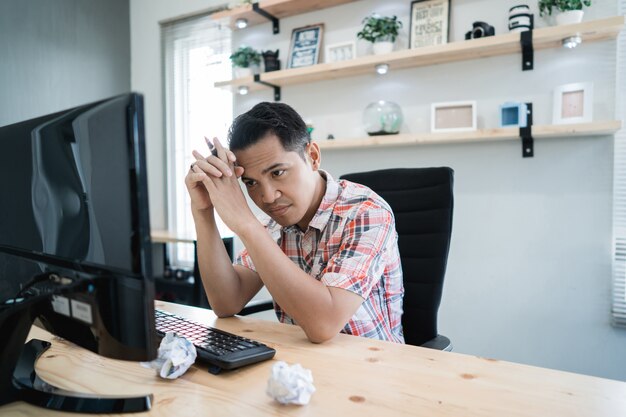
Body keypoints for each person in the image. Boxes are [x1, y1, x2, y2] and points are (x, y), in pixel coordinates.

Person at [185, 102, 404, 343]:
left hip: (373, 368)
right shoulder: (273, 223)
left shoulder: (366, 212)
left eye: (277, 173)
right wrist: (203, 210)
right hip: (300, 367)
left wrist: (246, 224)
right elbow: (226, 302)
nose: (267, 197)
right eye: (250, 183)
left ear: (312, 156)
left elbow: (324, 324)